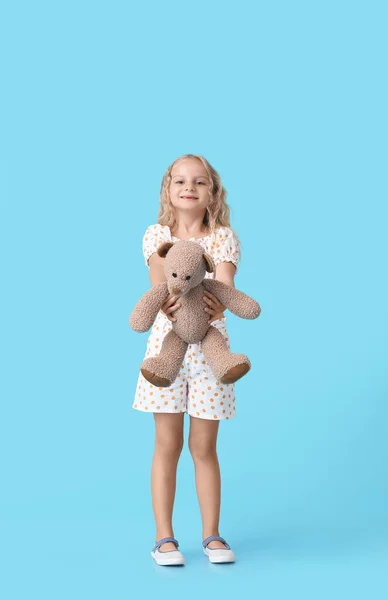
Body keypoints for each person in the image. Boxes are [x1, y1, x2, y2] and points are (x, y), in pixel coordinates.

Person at [132, 153, 240, 566]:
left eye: (199, 181)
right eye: (180, 181)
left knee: (204, 446)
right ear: (168, 190)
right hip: (167, 353)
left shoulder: (223, 237)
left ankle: (212, 535)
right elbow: (161, 290)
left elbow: (223, 289)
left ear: (212, 191)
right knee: (167, 443)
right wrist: (182, 304)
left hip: (213, 355)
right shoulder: (156, 235)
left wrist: (214, 304)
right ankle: (164, 538)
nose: (188, 187)